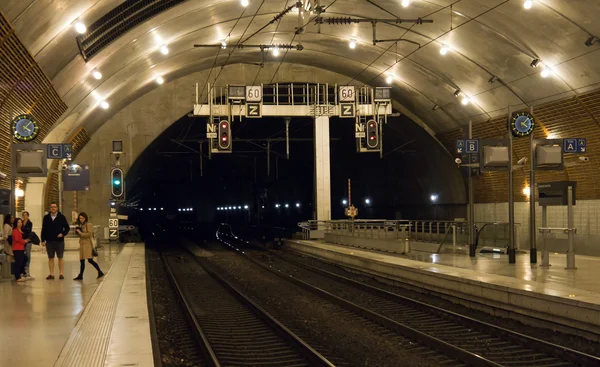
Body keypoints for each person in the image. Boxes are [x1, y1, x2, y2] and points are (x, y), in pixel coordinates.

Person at [41, 202, 70, 280]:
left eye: (54, 207)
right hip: (49, 240)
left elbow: (67, 228)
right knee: (50, 257)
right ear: (50, 208)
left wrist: (63, 234)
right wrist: (42, 240)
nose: (53, 208)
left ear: (57, 208)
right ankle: (51, 274)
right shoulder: (46, 218)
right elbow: (43, 229)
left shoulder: (61, 217)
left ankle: (61, 273)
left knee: (60, 257)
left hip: (59, 241)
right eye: (51, 207)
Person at [73, 212, 104, 280]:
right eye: (80, 218)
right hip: (82, 244)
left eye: (83, 218)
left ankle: (100, 272)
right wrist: (77, 231)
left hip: (87, 245)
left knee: (90, 260)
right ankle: (80, 275)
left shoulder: (89, 225)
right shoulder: (81, 225)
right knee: (82, 261)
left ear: (85, 218)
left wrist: (80, 232)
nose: (81, 219)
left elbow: (88, 234)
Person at [12, 218, 32, 282]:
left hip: (21, 248)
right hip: (17, 248)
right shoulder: (15, 230)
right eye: (18, 222)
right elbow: (17, 239)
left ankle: (21, 272)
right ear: (16, 223)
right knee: (18, 262)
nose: (20, 223)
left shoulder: (21, 230)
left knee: (25, 259)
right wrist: (25, 241)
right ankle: (17, 277)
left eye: (21, 222)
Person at [22, 211, 33, 277]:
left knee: (28, 255)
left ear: (28, 216)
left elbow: (28, 231)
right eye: (23, 215)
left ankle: (27, 269)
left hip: (28, 241)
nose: (24, 216)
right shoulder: (21, 223)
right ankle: (23, 270)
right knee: (23, 255)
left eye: (25, 215)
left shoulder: (30, 223)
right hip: (22, 241)